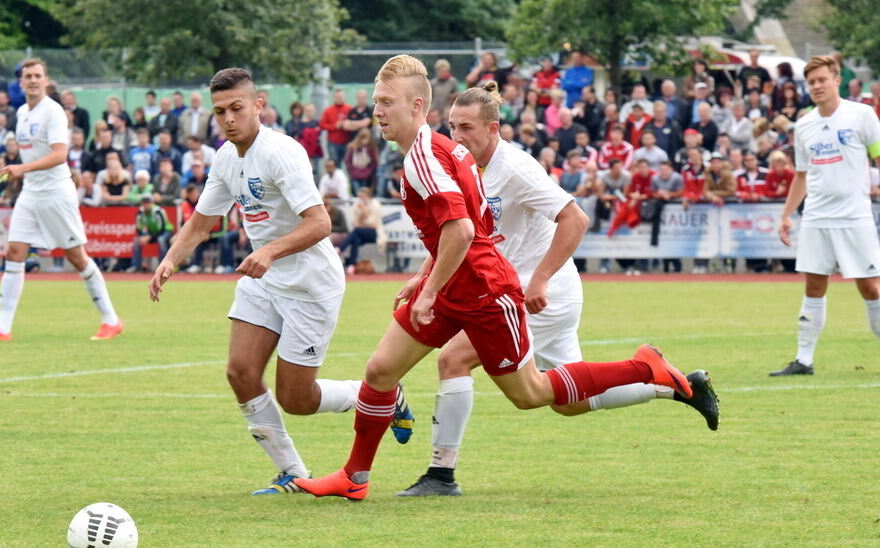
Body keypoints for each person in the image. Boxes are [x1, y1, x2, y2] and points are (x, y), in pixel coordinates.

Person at [295, 55, 697, 500]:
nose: (377, 111)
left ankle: (645, 368)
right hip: (454, 284)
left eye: (386, 102)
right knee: (381, 369)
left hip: (488, 292)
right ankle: (356, 477)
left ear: (416, 106)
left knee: (532, 393)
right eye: (376, 101)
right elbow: (476, 223)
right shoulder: (447, 154)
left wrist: (429, 290)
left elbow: (466, 230)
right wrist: (426, 277)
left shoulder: (429, 158)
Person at [397, 82, 718, 495]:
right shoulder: (463, 165)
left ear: (493, 129)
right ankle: (672, 385)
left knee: (453, 360)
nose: (457, 137)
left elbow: (576, 219)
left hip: (539, 295)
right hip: (521, 292)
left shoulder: (515, 168)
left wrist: (542, 277)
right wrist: (423, 274)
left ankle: (441, 474)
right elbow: (460, 232)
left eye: (467, 129)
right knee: (570, 403)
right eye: (453, 127)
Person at [147, 68, 410, 495]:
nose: (229, 119)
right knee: (240, 373)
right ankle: (290, 471)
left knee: (297, 399)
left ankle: (383, 395)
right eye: (220, 112)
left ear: (258, 105)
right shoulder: (225, 158)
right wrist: (170, 261)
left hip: (309, 284)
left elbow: (321, 223)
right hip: (264, 280)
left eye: (236, 108)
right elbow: (201, 221)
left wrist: (268, 251)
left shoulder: (281, 152)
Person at [0, 58, 122, 342]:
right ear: (21, 82)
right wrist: (20, 172)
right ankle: (2, 327)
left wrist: (22, 169)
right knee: (14, 251)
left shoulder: (53, 111)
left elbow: (60, 154)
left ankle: (111, 320)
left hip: (56, 192)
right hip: (31, 192)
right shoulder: (23, 111)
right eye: (28, 76)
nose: (34, 80)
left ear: (46, 80)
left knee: (77, 257)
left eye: (38, 75)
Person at [772, 56, 880, 376]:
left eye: (822, 79)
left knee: (871, 288)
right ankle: (804, 359)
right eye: (811, 82)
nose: (817, 86)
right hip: (817, 216)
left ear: (836, 80)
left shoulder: (862, 115)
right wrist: (786, 215)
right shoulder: (804, 125)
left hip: (854, 216)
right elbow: (801, 176)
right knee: (814, 285)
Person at [339, 186, 386, 274]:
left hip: (375, 234)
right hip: (362, 234)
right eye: (360, 197)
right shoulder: (356, 206)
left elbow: (373, 224)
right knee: (354, 240)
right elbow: (355, 223)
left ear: (368, 196)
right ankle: (352, 266)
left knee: (356, 231)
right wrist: (362, 217)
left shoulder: (375, 204)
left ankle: (340, 250)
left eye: (363, 197)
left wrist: (364, 212)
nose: (361, 199)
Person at [130, 195, 172, 272]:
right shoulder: (140, 212)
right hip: (150, 234)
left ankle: (163, 266)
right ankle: (136, 266)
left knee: (161, 240)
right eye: (144, 203)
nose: (146, 205)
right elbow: (139, 227)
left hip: (164, 232)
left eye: (148, 203)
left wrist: (150, 237)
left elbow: (161, 228)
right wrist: (142, 236)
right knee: (136, 241)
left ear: (152, 203)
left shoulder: (158, 211)